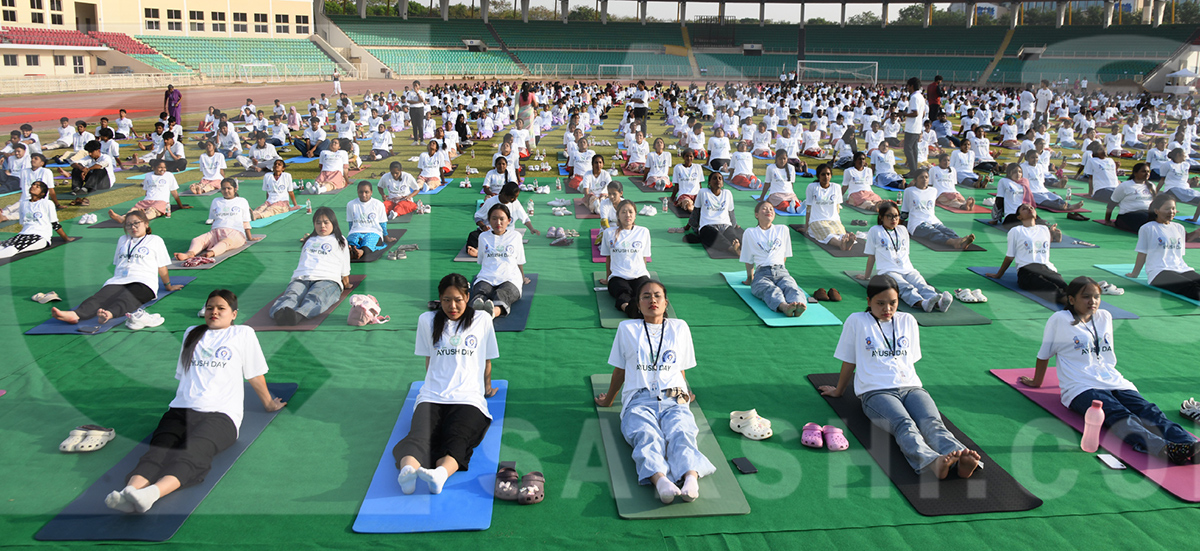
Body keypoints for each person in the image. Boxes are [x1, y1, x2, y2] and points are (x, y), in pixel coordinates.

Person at [104, 289, 287, 514]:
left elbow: (254, 374)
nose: (214, 312)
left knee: (192, 453)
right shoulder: (192, 333)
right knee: (157, 451)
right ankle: (129, 492)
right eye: (210, 308)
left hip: (221, 415)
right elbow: (185, 376)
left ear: (234, 314)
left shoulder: (242, 334)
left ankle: (151, 494)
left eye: (221, 308)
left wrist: (268, 403)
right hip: (181, 409)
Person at [1020, 277, 1199, 465]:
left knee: (1150, 412)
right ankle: (1164, 449)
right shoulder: (1059, 320)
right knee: (1120, 415)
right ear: (1071, 299)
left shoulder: (1104, 316)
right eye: (1086, 297)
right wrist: (1036, 382)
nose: (1093, 301)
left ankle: (1190, 444)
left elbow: (1104, 356)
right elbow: (1044, 354)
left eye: (1097, 297)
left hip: (1114, 380)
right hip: (1080, 386)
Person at [819, 275, 982, 479]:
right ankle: (931, 461)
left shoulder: (908, 320)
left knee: (932, 422)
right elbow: (849, 360)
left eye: (893, 303)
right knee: (904, 423)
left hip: (912, 387)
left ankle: (960, 459)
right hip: (875, 391)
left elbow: (909, 360)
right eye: (880, 303)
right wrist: (839, 390)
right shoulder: (857, 321)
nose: (887, 308)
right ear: (868, 301)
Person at [594, 280, 716, 504]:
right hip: (639, 397)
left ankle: (690, 477)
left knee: (682, 431)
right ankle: (661, 481)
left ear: (666, 302)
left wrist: (684, 395)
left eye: (657, 296)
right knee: (645, 434)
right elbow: (620, 370)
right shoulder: (627, 329)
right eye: (646, 296)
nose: (653, 300)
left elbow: (680, 368)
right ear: (638, 305)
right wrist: (609, 399)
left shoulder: (680, 327)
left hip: (673, 393)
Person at [393, 273, 498, 495]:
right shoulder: (427, 320)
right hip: (432, 396)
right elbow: (429, 360)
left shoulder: (482, 320)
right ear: (439, 299)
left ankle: (439, 475)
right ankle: (408, 472)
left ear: (467, 297)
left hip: (469, 398)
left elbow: (486, 360)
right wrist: (431, 386)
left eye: (458, 299)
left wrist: (487, 389)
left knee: (458, 436)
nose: (452, 306)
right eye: (446, 300)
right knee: (419, 436)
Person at [51, 210, 182, 324]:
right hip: (119, 279)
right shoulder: (122, 240)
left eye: (137, 223)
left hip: (144, 281)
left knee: (128, 297)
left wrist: (168, 286)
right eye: (129, 224)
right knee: (100, 297)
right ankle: (75, 315)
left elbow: (162, 266)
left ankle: (109, 314)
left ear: (146, 224)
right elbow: (118, 263)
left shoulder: (155, 240)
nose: (133, 227)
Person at [858, 201, 954, 312]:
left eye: (896, 216)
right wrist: (866, 276)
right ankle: (922, 303)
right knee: (905, 287)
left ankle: (939, 303)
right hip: (888, 270)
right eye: (889, 216)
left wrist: (909, 269)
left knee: (921, 283)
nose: (894, 219)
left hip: (908, 268)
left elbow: (905, 253)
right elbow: (871, 256)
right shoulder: (875, 231)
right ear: (881, 217)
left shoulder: (903, 230)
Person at [270, 207, 353, 326]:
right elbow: (302, 262)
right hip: (303, 277)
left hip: (327, 278)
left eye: (326, 222)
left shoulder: (340, 240)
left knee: (316, 296)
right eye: (318, 223)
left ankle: (299, 314)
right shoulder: (309, 240)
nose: (322, 226)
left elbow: (345, 264)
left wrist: (346, 282)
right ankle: (281, 312)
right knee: (292, 294)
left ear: (333, 223)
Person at [740, 200, 807, 317]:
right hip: (762, 273)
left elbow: (784, 255)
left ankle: (797, 305)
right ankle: (784, 306)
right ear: (756, 214)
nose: (769, 211)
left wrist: (779, 268)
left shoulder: (783, 229)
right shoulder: (750, 232)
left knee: (790, 286)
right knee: (769, 289)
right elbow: (748, 260)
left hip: (781, 270)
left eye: (771, 209)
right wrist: (750, 279)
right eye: (764, 208)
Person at [1127, 195, 1200, 300]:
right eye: (1167, 209)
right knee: (1192, 288)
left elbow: (1178, 254)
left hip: (1181, 268)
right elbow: (1142, 253)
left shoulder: (1179, 227)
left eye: (1173, 208)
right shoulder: (1148, 228)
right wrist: (1134, 274)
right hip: (1159, 272)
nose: (1171, 212)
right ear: (1156, 211)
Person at [174, 179, 258, 262]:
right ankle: (189, 253)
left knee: (225, 242)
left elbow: (246, 222)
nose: (226, 191)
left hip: (236, 233)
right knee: (197, 240)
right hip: (216, 231)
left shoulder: (242, 201)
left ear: (235, 189)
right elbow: (214, 220)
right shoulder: (216, 201)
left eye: (229, 188)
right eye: (223, 188)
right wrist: (210, 237)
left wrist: (249, 238)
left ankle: (211, 253)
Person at [471, 203, 529, 319]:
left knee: (502, 294)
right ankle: (477, 310)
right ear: (489, 220)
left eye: (502, 219)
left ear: (509, 220)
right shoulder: (483, 237)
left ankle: (493, 313)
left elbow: (519, 261)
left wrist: (522, 278)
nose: (498, 223)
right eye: (494, 219)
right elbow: (482, 260)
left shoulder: (516, 236)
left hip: (510, 278)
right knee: (480, 292)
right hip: (487, 276)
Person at [600, 199, 653, 319]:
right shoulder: (609, 233)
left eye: (630, 212)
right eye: (623, 212)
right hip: (618, 276)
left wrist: (644, 274)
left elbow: (644, 257)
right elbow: (608, 258)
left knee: (645, 292)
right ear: (617, 215)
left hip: (639, 275)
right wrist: (609, 278)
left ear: (635, 214)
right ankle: (629, 309)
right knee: (623, 292)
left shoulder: (643, 232)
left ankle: (644, 310)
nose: (627, 215)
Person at [902, 168, 975, 249]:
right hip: (917, 223)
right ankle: (953, 242)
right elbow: (905, 211)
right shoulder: (909, 191)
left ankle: (961, 241)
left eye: (926, 177)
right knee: (933, 232)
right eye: (921, 177)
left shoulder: (933, 191)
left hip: (933, 220)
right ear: (915, 180)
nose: (924, 179)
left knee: (948, 231)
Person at [0, 182, 75, 259]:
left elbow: (55, 224)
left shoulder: (47, 203)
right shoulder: (23, 203)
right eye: (33, 185)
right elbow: (24, 223)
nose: (33, 186)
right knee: (2, 246)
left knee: (12, 248)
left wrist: (66, 238)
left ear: (42, 193)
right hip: (22, 234)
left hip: (40, 236)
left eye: (37, 186)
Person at [674, 172, 742, 256]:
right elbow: (696, 212)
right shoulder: (703, 192)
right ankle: (731, 248)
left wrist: (734, 226)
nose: (718, 180)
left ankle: (736, 246)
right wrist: (687, 227)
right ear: (709, 182)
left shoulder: (727, 193)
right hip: (708, 225)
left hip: (725, 225)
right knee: (715, 237)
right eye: (714, 178)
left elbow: (731, 213)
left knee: (733, 236)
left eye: (720, 178)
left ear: (723, 183)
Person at [108, 159, 190, 225]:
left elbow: (174, 192)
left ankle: (138, 219)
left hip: (161, 201)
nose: (163, 169)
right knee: (134, 210)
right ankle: (122, 218)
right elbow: (147, 191)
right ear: (153, 168)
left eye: (164, 167)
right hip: (147, 200)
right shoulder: (148, 175)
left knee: (151, 211)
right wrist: (144, 202)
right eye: (160, 167)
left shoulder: (169, 175)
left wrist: (180, 205)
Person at [804, 163, 857, 251]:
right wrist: (807, 227)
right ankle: (840, 244)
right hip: (817, 220)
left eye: (828, 174)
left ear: (831, 175)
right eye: (823, 174)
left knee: (839, 232)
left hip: (833, 219)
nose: (826, 176)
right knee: (827, 232)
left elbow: (837, 207)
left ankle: (846, 242)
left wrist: (838, 221)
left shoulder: (836, 187)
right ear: (818, 176)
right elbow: (808, 208)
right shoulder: (812, 187)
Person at [346, 181, 395, 260]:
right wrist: (350, 234)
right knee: (351, 242)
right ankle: (352, 251)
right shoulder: (351, 204)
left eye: (366, 192)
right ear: (357, 192)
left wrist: (386, 238)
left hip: (373, 232)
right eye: (361, 192)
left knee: (368, 243)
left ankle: (360, 252)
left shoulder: (378, 204)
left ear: (371, 192)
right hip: (356, 231)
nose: (363, 195)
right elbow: (351, 223)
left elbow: (382, 223)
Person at [1108, 162, 1156, 232]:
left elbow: (1156, 202)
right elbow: (1112, 203)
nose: (1147, 174)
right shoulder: (1125, 186)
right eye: (1143, 171)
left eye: (1148, 172)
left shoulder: (1151, 185)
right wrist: (1107, 220)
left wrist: (1153, 191)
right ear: (1135, 173)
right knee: (1147, 222)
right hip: (1128, 215)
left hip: (1147, 213)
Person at [903, 77, 926, 175]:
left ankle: (913, 170)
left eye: (908, 86)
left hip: (912, 127)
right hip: (917, 126)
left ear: (911, 86)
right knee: (914, 149)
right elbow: (923, 113)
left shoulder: (914, 97)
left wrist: (903, 114)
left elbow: (915, 113)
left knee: (907, 148)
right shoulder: (921, 96)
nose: (907, 88)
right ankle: (914, 169)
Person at [669, 148, 703, 214]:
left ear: (693, 157)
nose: (689, 158)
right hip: (684, 194)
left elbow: (700, 184)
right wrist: (671, 199)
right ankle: (697, 214)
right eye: (687, 156)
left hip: (696, 194)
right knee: (688, 206)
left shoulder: (698, 167)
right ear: (683, 157)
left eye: (691, 156)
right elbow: (676, 186)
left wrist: (702, 195)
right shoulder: (678, 168)